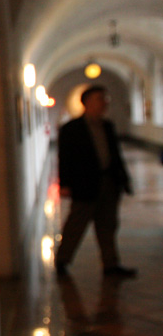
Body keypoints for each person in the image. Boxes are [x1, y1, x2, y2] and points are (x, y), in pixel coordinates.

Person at [55, 85, 135, 278]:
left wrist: (124, 180)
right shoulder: (71, 129)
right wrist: (64, 184)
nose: (105, 103)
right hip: (85, 184)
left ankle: (111, 264)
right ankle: (62, 260)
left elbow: (116, 155)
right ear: (87, 102)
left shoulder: (107, 126)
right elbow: (64, 159)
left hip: (109, 182)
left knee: (108, 225)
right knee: (76, 224)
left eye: (105, 99)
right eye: (100, 99)